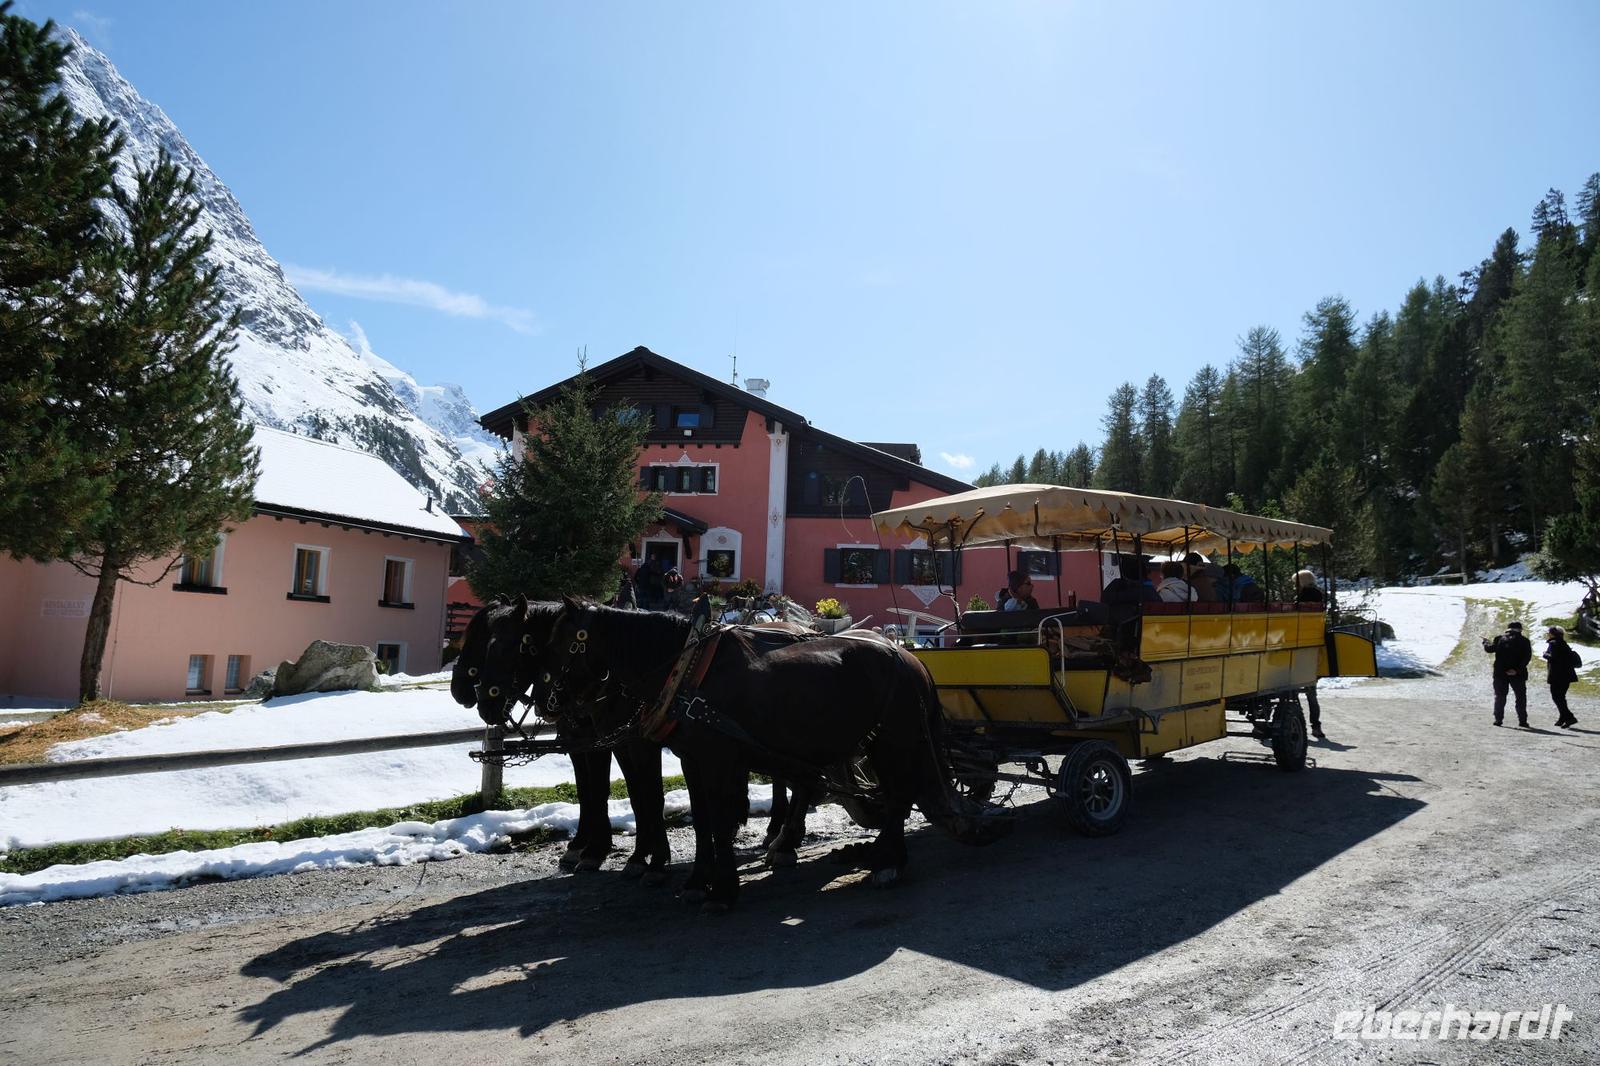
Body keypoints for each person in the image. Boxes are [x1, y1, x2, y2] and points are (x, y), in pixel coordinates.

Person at [1483, 621, 1533, 727]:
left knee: (1500, 696)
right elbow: (1527, 658)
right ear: (1520, 630)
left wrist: (1486, 642)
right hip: (1518, 674)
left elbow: (1489, 649)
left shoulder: (1500, 639)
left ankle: (1498, 720)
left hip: (1500, 673)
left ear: (1508, 629)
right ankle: (1522, 721)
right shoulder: (1525, 641)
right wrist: (1517, 670)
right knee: (1520, 697)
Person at [1543, 625, 1581, 728]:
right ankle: (1562, 718)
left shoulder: (1553, 643)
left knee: (1557, 697)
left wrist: (1545, 654)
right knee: (1560, 697)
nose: (1547, 634)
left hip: (1557, 675)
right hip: (1566, 675)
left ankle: (1569, 717)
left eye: (1549, 633)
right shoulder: (1563, 643)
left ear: (1553, 634)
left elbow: (1554, 658)